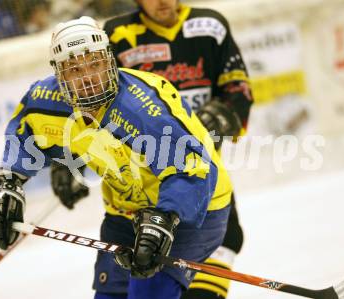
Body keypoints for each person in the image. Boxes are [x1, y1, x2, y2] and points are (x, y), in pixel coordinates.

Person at [0, 16, 233, 299]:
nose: (87, 79)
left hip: (194, 208)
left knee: (148, 291)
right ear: (59, 74)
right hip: (124, 212)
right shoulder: (44, 100)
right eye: (74, 69)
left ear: (109, 60)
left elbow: (192, 169)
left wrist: (163, 218)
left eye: (94, 64)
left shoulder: (143, 107)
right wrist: (9, 181)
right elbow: (25, 138)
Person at [101, 1, 253, 298]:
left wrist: (224, 114)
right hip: (139, 185)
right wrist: (68, 160)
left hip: (201, 178)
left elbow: (239, 89)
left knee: (225, 238)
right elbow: (95, 103)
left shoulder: (210, 26)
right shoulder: (117, 34)